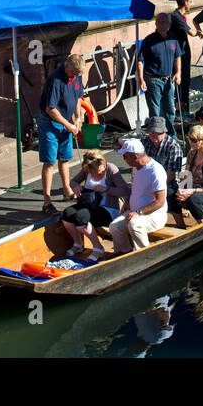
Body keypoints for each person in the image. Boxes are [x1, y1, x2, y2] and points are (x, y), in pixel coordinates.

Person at [60, 150, 130, 259]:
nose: (93, 174)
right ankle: (78, 244)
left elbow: (124, 190)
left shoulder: (111, 169)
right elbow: (73, 181)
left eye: (96, 171)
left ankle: (98, 248)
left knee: (80, 217)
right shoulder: (88, 169)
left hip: (107, 208)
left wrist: (106, 189)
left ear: (102, 165)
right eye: (91, 172)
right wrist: (76, 186)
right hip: (89, 204)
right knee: (67, 214)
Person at [38, 53, 85, 213]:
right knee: (50, 161)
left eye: (79, 74)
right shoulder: (55, 80)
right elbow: (50, 109)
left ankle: (66, 190)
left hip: (67, 121)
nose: (76, 76)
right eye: (74, 73)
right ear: (67, 67)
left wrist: (78, 118)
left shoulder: (76, 76)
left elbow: (78, 97)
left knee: (65, 158)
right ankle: (46, 201)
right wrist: (67, 124)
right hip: (50, 122)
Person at [110, 138, 168, 253]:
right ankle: (124, 253)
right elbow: (134, 187)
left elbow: (160, 202)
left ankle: (144, 255)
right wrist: (127, 202)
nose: (124, 160)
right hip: (135, 212)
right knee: (114, 227)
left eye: (125, 157)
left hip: (155, 215)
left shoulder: (156, 171)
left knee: (134, 224)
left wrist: (139, 212)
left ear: (134, 157)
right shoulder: (135, 168)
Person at [137, 13, 183, 122]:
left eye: (164, 22)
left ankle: (170, 136)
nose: (161, 25)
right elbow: (139, 61)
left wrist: (178, 72)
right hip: (153, 79)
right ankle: (156, 137)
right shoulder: (149, 40)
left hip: (169, 79)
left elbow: (177, 57)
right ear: (156, 24)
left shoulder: (173, 38)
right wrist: (141, 79)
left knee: (170, 110)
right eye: (159, 22)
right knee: (155, 111)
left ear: (169, 24)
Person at [141, 115, 183, 210]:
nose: (154, 135)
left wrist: (154, 186)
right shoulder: (145, 141)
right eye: (152, 132)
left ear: (164, 132)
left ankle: (179, 221)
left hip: (167, 181)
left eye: (158, 133)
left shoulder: (173, 146)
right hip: (148, 179)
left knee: (170, 192)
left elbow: (171, 174)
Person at [168, 0, 200, 117]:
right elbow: (191, 32)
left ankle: (182, 105)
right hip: (179, 52)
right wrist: (200, 32)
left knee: (185, 78)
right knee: (181, 77)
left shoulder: (179, 16)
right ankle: (179, 108)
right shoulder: (176, 16)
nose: (191, 4)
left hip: (183, 50)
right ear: (185, 3)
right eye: (190, 2)